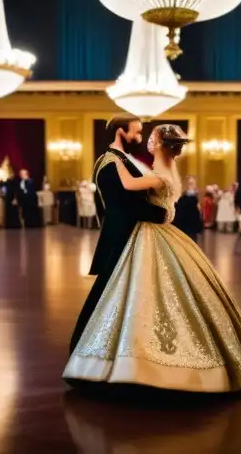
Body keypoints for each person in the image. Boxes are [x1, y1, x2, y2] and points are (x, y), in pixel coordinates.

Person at [64, 125, 241, 392]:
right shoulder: (162, 170)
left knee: (149, 290)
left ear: (162, 145)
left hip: (152, 233)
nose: (148, 141)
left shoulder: (159, 175)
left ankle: (149, 364)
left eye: (152, 138)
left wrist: (113, 159)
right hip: (158, 232)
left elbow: (128, 184)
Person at [69, 115, 169, 354]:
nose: (139, 137)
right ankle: (92, 350)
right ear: (120, 132)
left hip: (130, 235)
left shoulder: (122, 159)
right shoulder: (110, 163)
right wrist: (162, 214)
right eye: (136, 132)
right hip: (120, 238)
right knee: (108, 294)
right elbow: (125, 205)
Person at [172, 176, 204, 243]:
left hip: (193, 225)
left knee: (193, 242)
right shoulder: (182, 197)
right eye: (190, 183)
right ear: (187, 184)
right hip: (185, 225)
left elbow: (199, 211)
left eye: (193, 183)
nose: (192, 185)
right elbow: (179, 211)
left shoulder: (197, 196)